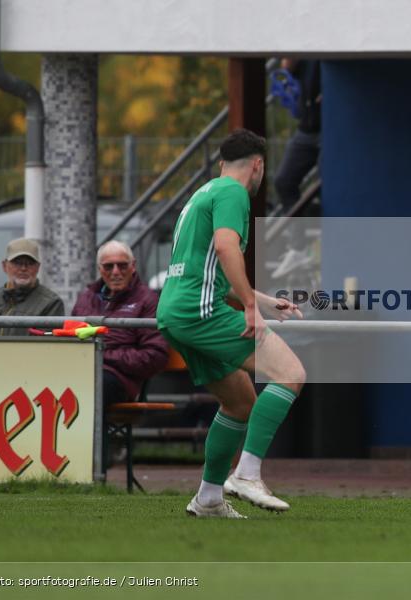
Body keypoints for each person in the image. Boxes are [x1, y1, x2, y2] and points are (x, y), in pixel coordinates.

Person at [157, 129, 305, 519]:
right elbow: (225, 247)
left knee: (240, 402)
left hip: (175, 312)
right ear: (257, 165)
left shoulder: (202, 193)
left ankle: (207, 499)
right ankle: (247, 475)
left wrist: (261, 301)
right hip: (200, 311)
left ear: (223, 162)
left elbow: (204, 268)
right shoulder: (234, 194)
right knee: (290, 373)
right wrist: (251, 311)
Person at [71, 240, 168, 406]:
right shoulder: (86, 298)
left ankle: (91, 433)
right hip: (81, 371)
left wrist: (102, 355)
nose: (116, 272)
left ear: (133, 266)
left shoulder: (148, 300)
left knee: (91, 388)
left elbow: (155, 356)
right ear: (99, 269)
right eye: (109, 266)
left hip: (119, 380)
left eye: (122, 266)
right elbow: (69, 340)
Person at [0, 238, 64, 336]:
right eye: (17, 262)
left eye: (30, 263)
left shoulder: (51, 303)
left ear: (38, 267)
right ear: (4, 266)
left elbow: (47, 347)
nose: (23, 268)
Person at [273, 59, 321, 213]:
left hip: (331, 129)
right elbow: (288, 66)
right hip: (307, 128)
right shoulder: (307, 54)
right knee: (283, 181)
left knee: (326, 183)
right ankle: (302, 229)